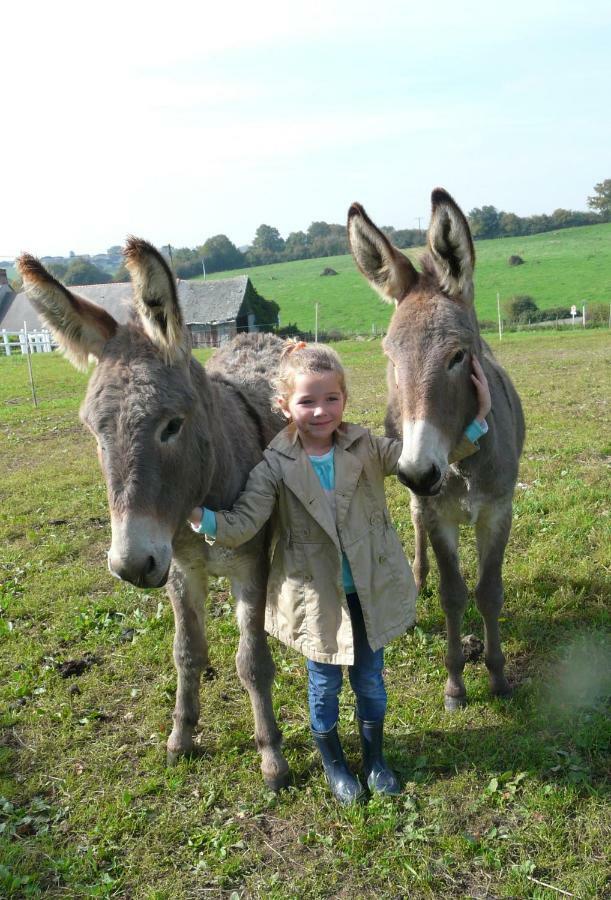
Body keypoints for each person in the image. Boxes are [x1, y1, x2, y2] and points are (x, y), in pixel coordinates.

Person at [189, 341, 491, 804]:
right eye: (307, 401)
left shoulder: (366, 446)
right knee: (324, 684)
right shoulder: (274, 464)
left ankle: (375, 758)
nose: (320, 411)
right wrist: (203, 520)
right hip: (318, 601)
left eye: (331, 398)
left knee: (371, 680)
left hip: (368, 592)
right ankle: (334, 763)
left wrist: (477, 421)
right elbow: (246, 521)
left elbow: (417, 462)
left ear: (344, 400)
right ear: (283, 406)